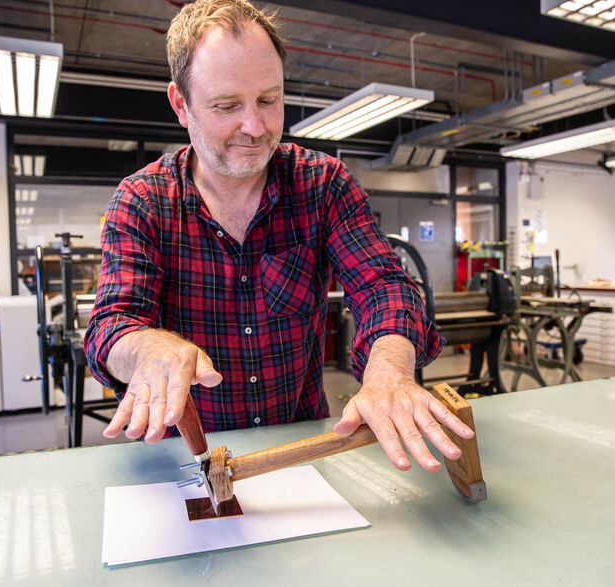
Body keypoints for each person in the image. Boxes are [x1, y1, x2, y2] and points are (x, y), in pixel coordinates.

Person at [83, 0, 473, 474]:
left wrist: (389, 368)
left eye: (269, 100)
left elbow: (383, 286)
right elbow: (111, 326)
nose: (255, 126)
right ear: (181, 105)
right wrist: (146, 348)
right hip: (183, 459)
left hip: (300, 451)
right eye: (227, 106)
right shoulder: (142, 200)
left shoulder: (323, 184)